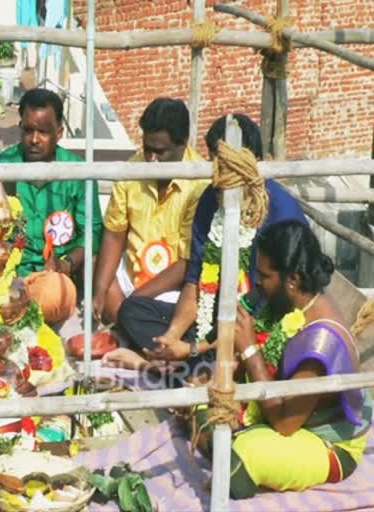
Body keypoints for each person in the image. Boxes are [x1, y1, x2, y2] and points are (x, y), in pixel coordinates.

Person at [109, 114, 307, 379]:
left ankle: (168, 369)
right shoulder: (209, 201)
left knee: (222, 356)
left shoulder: (281, 214)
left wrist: (192, 348)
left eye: (225, 165)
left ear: (252, 164)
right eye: (214, 162)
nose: (218, 175)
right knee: (132, 310)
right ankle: (176, 364)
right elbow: (195, 280)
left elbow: (271, 304)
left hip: (257, 323)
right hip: (211, 316)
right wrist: (172, 337)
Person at [205, 220, 370, 498]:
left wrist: (249, 352)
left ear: (292, 280)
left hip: (326, 442)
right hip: (287, 415)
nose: (257, 281)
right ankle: (216, 437)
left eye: (265, 275)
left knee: (239, 460)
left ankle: (219, 442)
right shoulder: (295, 301)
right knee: (206, 399)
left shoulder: (321, 341)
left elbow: (284, 424)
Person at [0, 88, 103, 325]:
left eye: (43, 132)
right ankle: (10, 309)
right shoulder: (2, 166)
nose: (34, 139)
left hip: (50, 278)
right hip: (4, 275)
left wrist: (66, 263)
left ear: (60, 133)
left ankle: (10, 313)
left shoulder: (79, 171)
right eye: (28, 130)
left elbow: (92, 233)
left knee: (54, 293)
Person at [93, 97, 208, 325]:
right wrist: (100, 292)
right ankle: (130, 329)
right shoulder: (131, 170)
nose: (151, 159)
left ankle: (129, 329)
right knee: (95, 268)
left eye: (160, 152)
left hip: (172, 290)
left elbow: (187, 262)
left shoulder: (201, 183)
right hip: (129, 279)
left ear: (182, 143)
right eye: (147, 150)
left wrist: (133, 303)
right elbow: (115, 234)